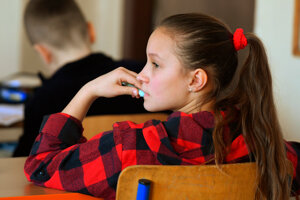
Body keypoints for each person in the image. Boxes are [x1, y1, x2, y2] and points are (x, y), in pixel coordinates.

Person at [24, 13, 300, 200]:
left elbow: (41, 165)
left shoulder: (129, 150)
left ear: (196, 80)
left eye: (155, 64)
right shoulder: (268, 148)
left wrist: (88, 91)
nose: (141, 74)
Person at [12, 0, 147, 157]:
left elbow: (26, 160)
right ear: (91, 31)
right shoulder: (140, 75)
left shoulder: (43, 100)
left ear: (43, 52)